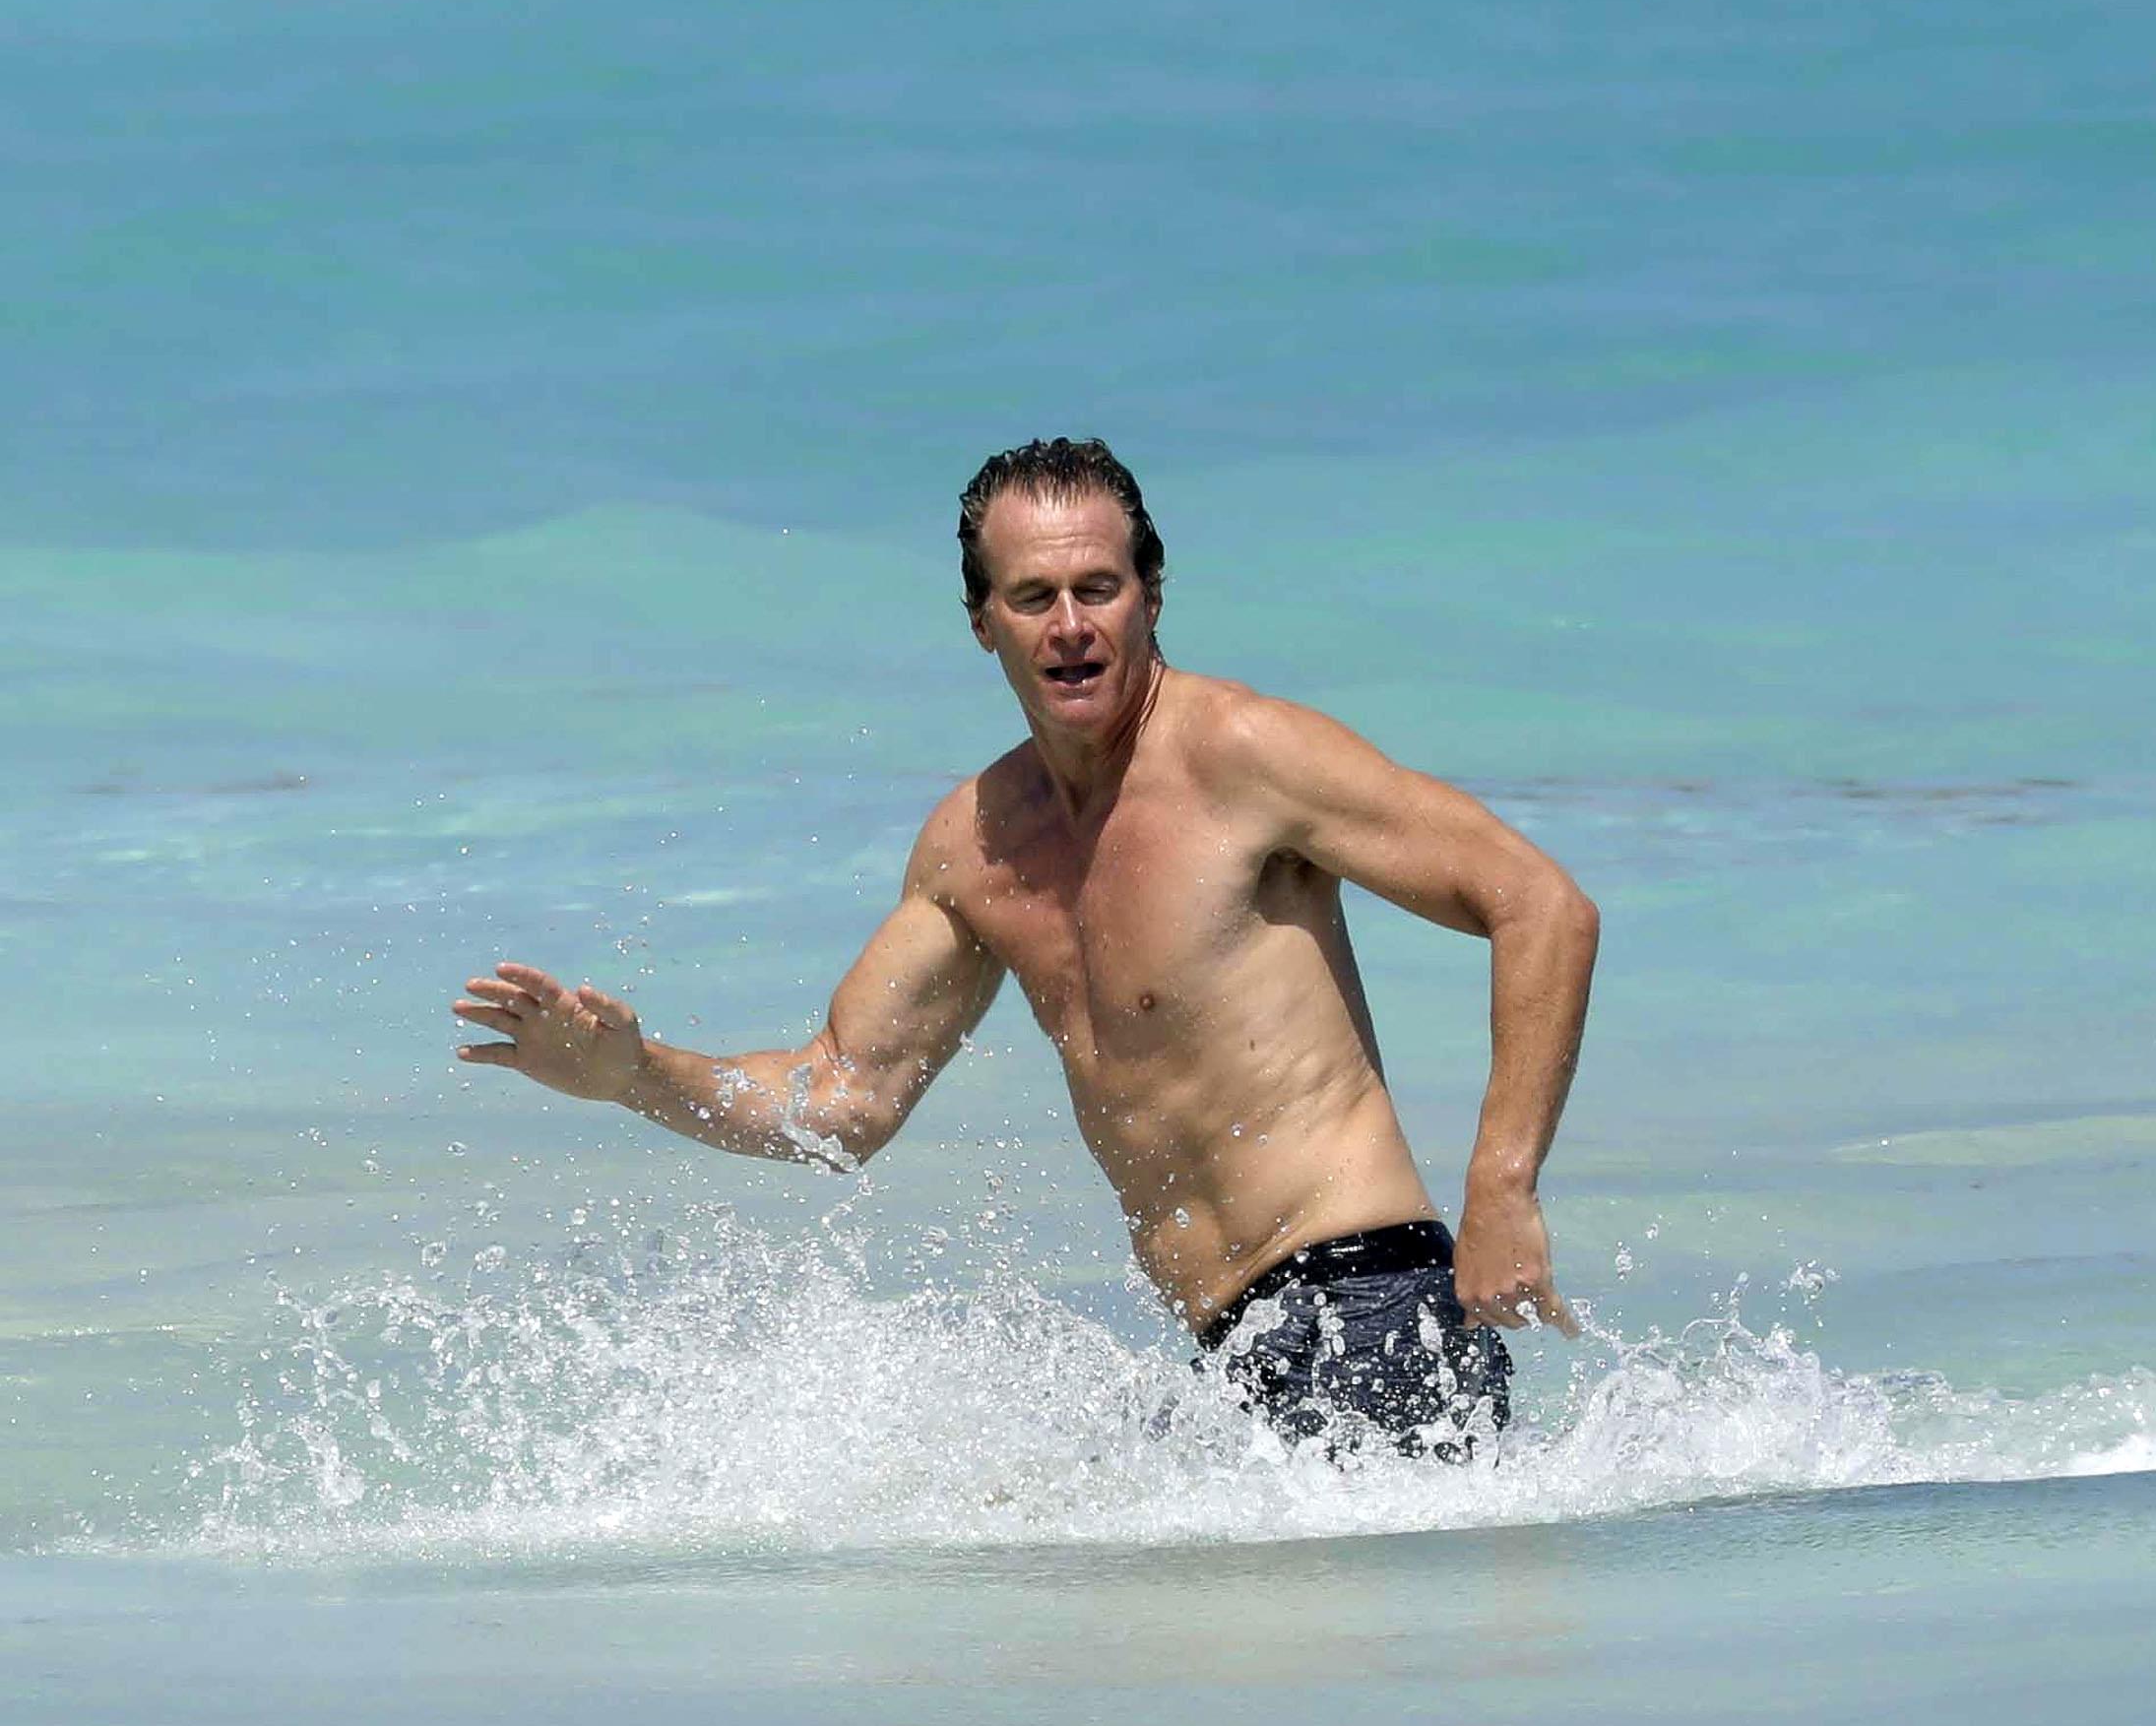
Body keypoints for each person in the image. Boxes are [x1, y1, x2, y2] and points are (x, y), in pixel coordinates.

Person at [455, 437, 1597, 1451]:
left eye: (1098, 588)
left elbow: (1539, 905)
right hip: (1223, 1356)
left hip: (1373, 1302)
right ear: (981, 620)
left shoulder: (1244, 757)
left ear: (1151, 596)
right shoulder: (978, 846)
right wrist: (632, 1076)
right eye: (1034, 595)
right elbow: (844, 1099)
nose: (1070, 626)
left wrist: (1501, 1191)